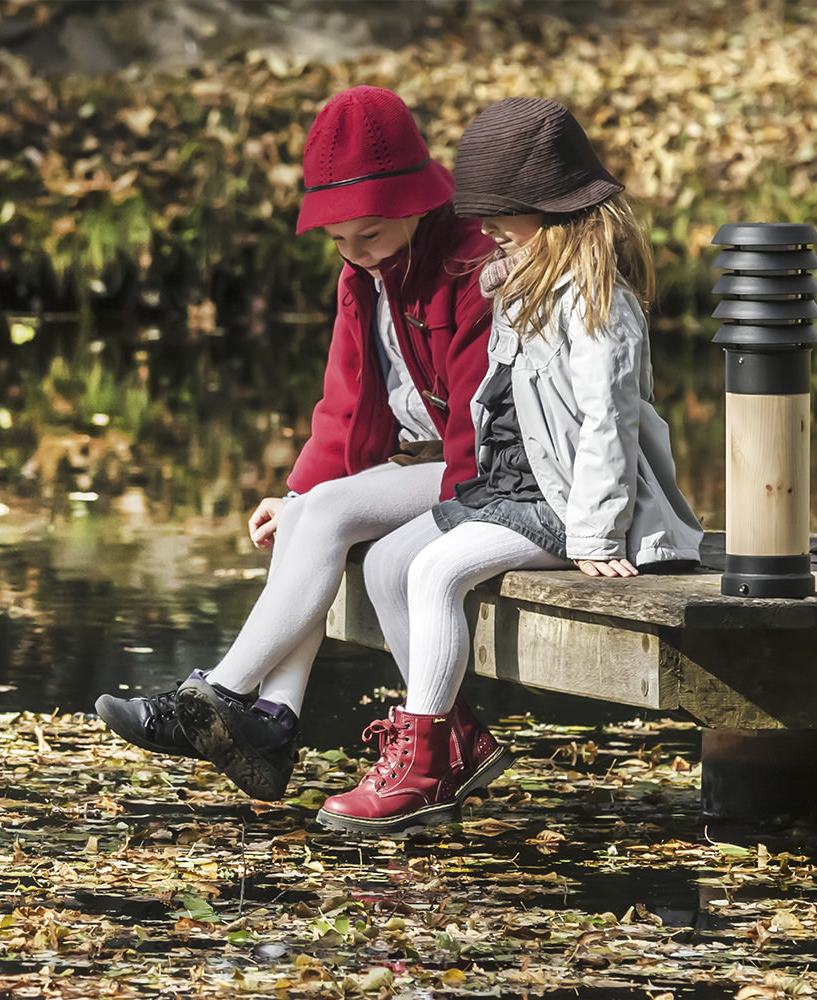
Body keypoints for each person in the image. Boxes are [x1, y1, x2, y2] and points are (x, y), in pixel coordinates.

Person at [315, 97, 705, 836]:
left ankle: (423, 768)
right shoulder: (519, 282)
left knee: (435, 572)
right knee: (385, 563)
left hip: (565, 506)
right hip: (510, 490)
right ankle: (450, 737)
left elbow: (608, 423)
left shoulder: (597, 303)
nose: (486, 230)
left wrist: (594, 535)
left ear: (553, 213)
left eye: (501, 216)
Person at [94, 85, 497, 801]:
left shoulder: (469, 267)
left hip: (479, 473)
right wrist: (294, 496)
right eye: (338, 240)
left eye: (366, 235)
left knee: (330, 512)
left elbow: (475, 415)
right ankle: (274, 719)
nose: (353, 253)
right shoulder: (362, 277)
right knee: (308, 516)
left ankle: (217, 694)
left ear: (415, 203)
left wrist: (451, 515)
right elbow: (343, 407)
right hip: (416, 465)